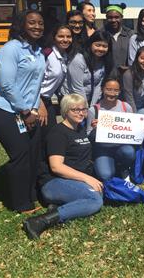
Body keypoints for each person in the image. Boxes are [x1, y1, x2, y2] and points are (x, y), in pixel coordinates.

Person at [23, 94, 103, 239]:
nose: (81, 113)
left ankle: (59, 204)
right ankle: (40, 221)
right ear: (66, 110)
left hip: (72, 180)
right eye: (75, 109)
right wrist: (87, 178)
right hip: (53, 182)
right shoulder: (57, 133)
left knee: (101, 191)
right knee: (95, 200)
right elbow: (56, 167)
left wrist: (97, 130)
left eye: (84, 109)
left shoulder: (80, 128)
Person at [0, 10, 45, 213]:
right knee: (20, 152)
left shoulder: (37, 51)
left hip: (27, 110)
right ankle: (20, 203)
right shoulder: (11, 49)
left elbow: (35, 85)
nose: (37, 26)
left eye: (40, 23)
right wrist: (25, 110)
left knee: (32, 152)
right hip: (3, 109)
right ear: (22, 24)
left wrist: (35, 109)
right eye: (32, 23)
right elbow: (6, 84)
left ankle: (31, 196)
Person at [86, 77, 136, 182]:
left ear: (120, 91)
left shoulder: (126, 107)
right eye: (108, 89)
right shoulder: (93, 110)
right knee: (105, 176)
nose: (112, 93)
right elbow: (89, 136)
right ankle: (109, 166)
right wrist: (95, 129)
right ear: (102, 89)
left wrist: (139, 130)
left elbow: (132, 129)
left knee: (129, 152)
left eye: (115, 90)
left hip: (121, 147)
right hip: (103, 150)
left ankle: (124, 169)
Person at [62, 30, 114, 106]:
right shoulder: (78, 60)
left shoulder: (103, 61)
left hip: (89, 100)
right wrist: (85, 108)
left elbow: (98, 86)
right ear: (90, 44)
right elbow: (77, 88)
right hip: (73, 99)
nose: (101, 49)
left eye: (104, 46)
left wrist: (93, 107)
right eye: (98, 45)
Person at [38, 25, 75, 131]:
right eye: (61, 36)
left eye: (69, 36)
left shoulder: (65, 56)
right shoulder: (47, 54)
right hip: (37, 100)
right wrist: (39, 104)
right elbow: (35, 81)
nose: (65, 40)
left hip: (47, 100)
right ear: (54, 38)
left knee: (50, 133)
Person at [104, 4, 133, 73]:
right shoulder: (101, 34)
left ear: (122, 17)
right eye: (110, 17)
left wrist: (129, 68)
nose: (113, 20)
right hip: (107, 78)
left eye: (117, 17)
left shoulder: (130, 35)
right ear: (106, 18)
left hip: (126, 77)